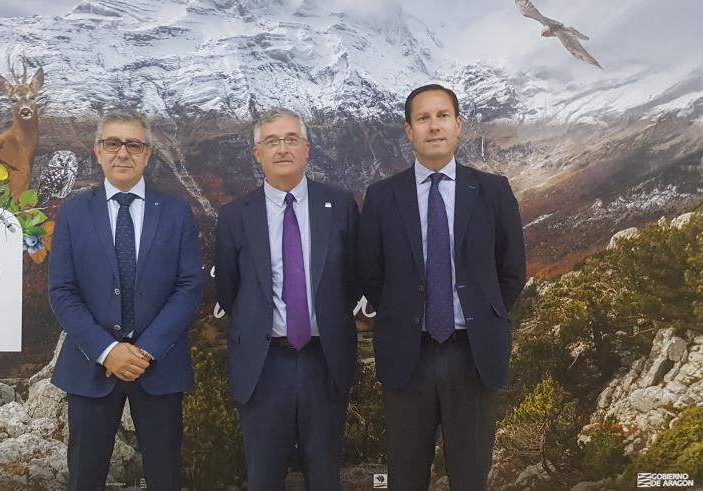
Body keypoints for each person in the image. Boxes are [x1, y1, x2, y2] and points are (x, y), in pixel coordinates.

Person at [358, 84, 526, 490]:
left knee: (470, 477)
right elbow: (369, 273)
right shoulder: (382, 197)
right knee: (405, 476)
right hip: (407, 355)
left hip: (472, 355)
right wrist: (402, 316)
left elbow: (511, 270)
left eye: (442, 116)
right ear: (409, 130)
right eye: (423, 118)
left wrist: (482, 317)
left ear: (458, 124)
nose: (434, 126)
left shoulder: (493, 191)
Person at [48, 111, 202, 491]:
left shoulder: (177, 211)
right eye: (113, 143)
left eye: (134, 145)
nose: (123, 153)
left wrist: (145, 351)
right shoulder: (73, 212)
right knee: (85, 477)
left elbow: (189, 288)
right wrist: (107, 350)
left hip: (159, 366)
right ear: (99, 152)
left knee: (165, 477)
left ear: (147, 154)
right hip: (92, 366)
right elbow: (62, 291)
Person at [215, 107, 360, 490]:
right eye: (272, 141)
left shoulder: (340, 205)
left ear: (307, 149)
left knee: (325, 476)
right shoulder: (234, 216)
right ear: (257, 153)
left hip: (324, 362)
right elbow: (230, 289)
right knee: (263, 478)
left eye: (291, 139)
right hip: (264, 366)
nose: (282, 149)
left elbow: (355, 278)